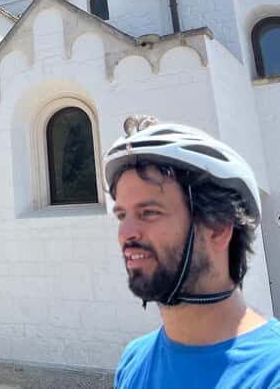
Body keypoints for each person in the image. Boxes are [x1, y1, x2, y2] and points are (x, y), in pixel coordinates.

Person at [106, 116, 280, 388]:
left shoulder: (270, 371)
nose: (125, 233)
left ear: (219, 227)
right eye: (122, 215)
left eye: (149, 212)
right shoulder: (134, 361)